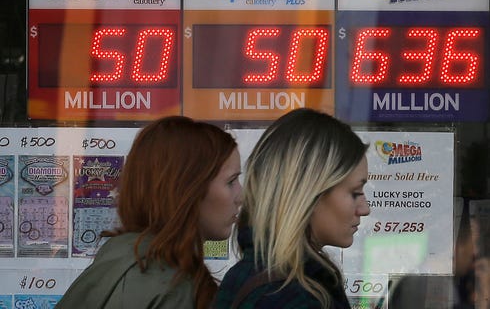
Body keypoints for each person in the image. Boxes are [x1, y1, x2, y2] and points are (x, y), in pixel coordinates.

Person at [56, 116, 242, 309]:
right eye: (231, 181)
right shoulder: (172, 286)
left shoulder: (115, 261)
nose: (241, 196)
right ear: (187, 190)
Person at [214, 108, 370, 309]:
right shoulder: (291, 297)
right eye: (355, 193)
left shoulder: (246, 276)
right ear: (308, 194)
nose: (364, 209)